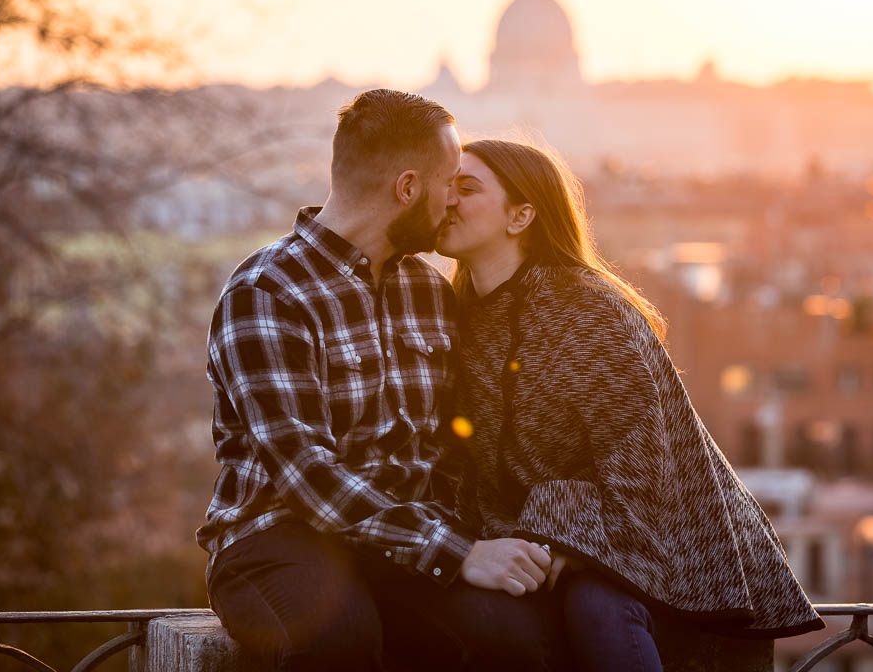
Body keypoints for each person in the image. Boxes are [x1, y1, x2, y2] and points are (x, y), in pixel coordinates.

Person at [197, 91, 564, 672]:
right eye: (451, 184)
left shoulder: (428, 290)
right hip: (279, 536)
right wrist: (459, 553)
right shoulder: (266, 293)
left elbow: (456, 440)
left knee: (513, 635)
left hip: (403, 538)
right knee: (339, 640)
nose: (455, 201)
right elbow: (305, 474)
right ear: (408, 188)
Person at [436, 139, 826, 672]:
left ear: (521, 215)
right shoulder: (459, 316)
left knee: (596, 607)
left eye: (468, 187)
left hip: (676, 559)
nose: (448, 199)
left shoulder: (588, 313)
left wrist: (557, 537)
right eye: (446, 186)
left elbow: (641, 472)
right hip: (546, 549)